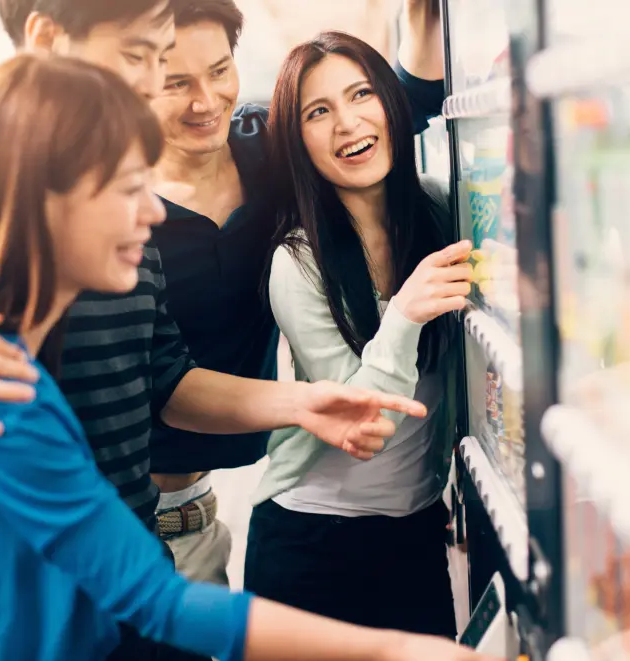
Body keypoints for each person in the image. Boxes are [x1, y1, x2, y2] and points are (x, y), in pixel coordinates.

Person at [0, 54, 496, 661]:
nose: (154, 211)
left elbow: (167, 385)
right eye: (128, 190)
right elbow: (154, 599)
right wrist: (391, 649)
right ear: (43, 202)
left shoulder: (14, 362)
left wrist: (302, 402)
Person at [146, 0, 449, 586]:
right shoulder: (120, 213)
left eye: (218, 71)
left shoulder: (266, 147)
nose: (205, 101)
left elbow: (390, 108)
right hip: (125, 506)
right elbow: (167, 384)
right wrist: (308, 407)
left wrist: (421, 15)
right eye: (175, 83)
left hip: (207, 507)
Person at [243, 31, 474, 637]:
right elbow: (364, 428)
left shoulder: (441, 209)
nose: (348, 124)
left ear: (391, 105)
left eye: (361, 94)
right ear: (298, 143)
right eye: (318, 112)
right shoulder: (296, 261)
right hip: (311, 543)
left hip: (417, 528)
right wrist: (404, 314)